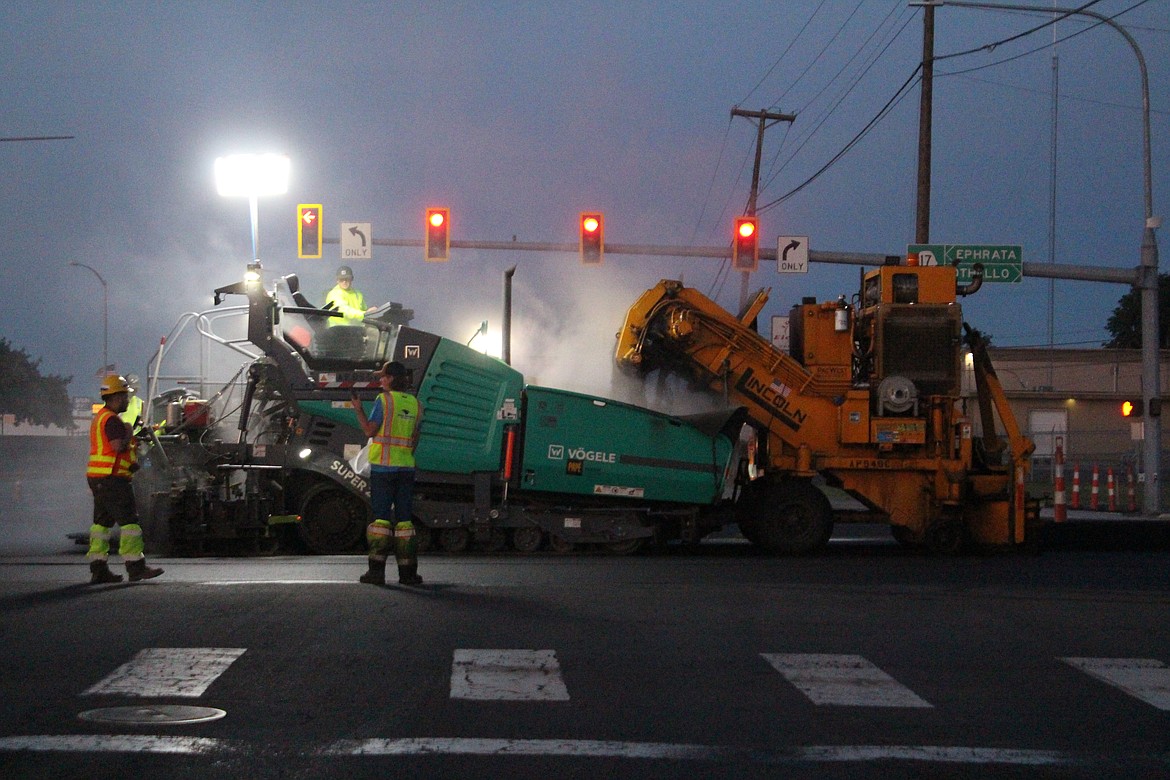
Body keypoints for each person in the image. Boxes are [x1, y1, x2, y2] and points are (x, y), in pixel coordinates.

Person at [350, 361, 424, 586]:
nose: (380, 380)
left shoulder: (384, 400)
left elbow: (369, 430)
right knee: (404, 523)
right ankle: (408, 574)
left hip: (383, 469)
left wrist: (358, 409)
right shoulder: (415, 404)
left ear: (391, 378)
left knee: (381, 521)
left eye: (383, 376)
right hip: (406, 469)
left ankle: (376, 572)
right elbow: (415, 438)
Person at [86, 374, 164, 584]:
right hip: (112, 480)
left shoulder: (101, 417)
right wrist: (129, 432)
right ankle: (136, 567)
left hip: (100, 477)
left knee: (101, 526)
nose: (128, 400)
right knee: (130, 523)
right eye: (126, 396)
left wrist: (131, 463)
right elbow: (117, 446)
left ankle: (98, 569)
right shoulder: (112, 420)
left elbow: (113, 452)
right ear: (117, 397)